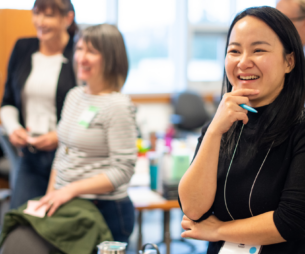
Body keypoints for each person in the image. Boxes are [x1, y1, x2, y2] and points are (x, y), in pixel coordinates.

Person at [0, 24, 137, 254]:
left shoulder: (118, 106)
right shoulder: (75, 95)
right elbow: (63, 152)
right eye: (80, 48)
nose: (81, 57)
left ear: (111, 58)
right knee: (15, 231)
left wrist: (69, 190)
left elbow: (123, 170)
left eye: (92, 51)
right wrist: (51, 195)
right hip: (65, 201)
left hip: (102, 209)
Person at [178, 6, 305, 254]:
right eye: (234, 51)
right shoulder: (221, 125)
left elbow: (290, 221)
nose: (243, 62)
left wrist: (217, 230)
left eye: (258, 50)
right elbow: (193, 210)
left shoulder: (299, 128)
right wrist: (214, 130)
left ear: (289, 61)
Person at [0, 0, 77, 209]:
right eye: (36, 13)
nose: (40, 21)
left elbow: (87, 108)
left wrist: (59, 135)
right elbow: (7, 102)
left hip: (69, 157)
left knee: (58, 224)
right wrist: (14, 128)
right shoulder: (23, 48)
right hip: (31, 154)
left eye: (49, 15)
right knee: (20, 221)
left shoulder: (79, 53)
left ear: (67, 18)